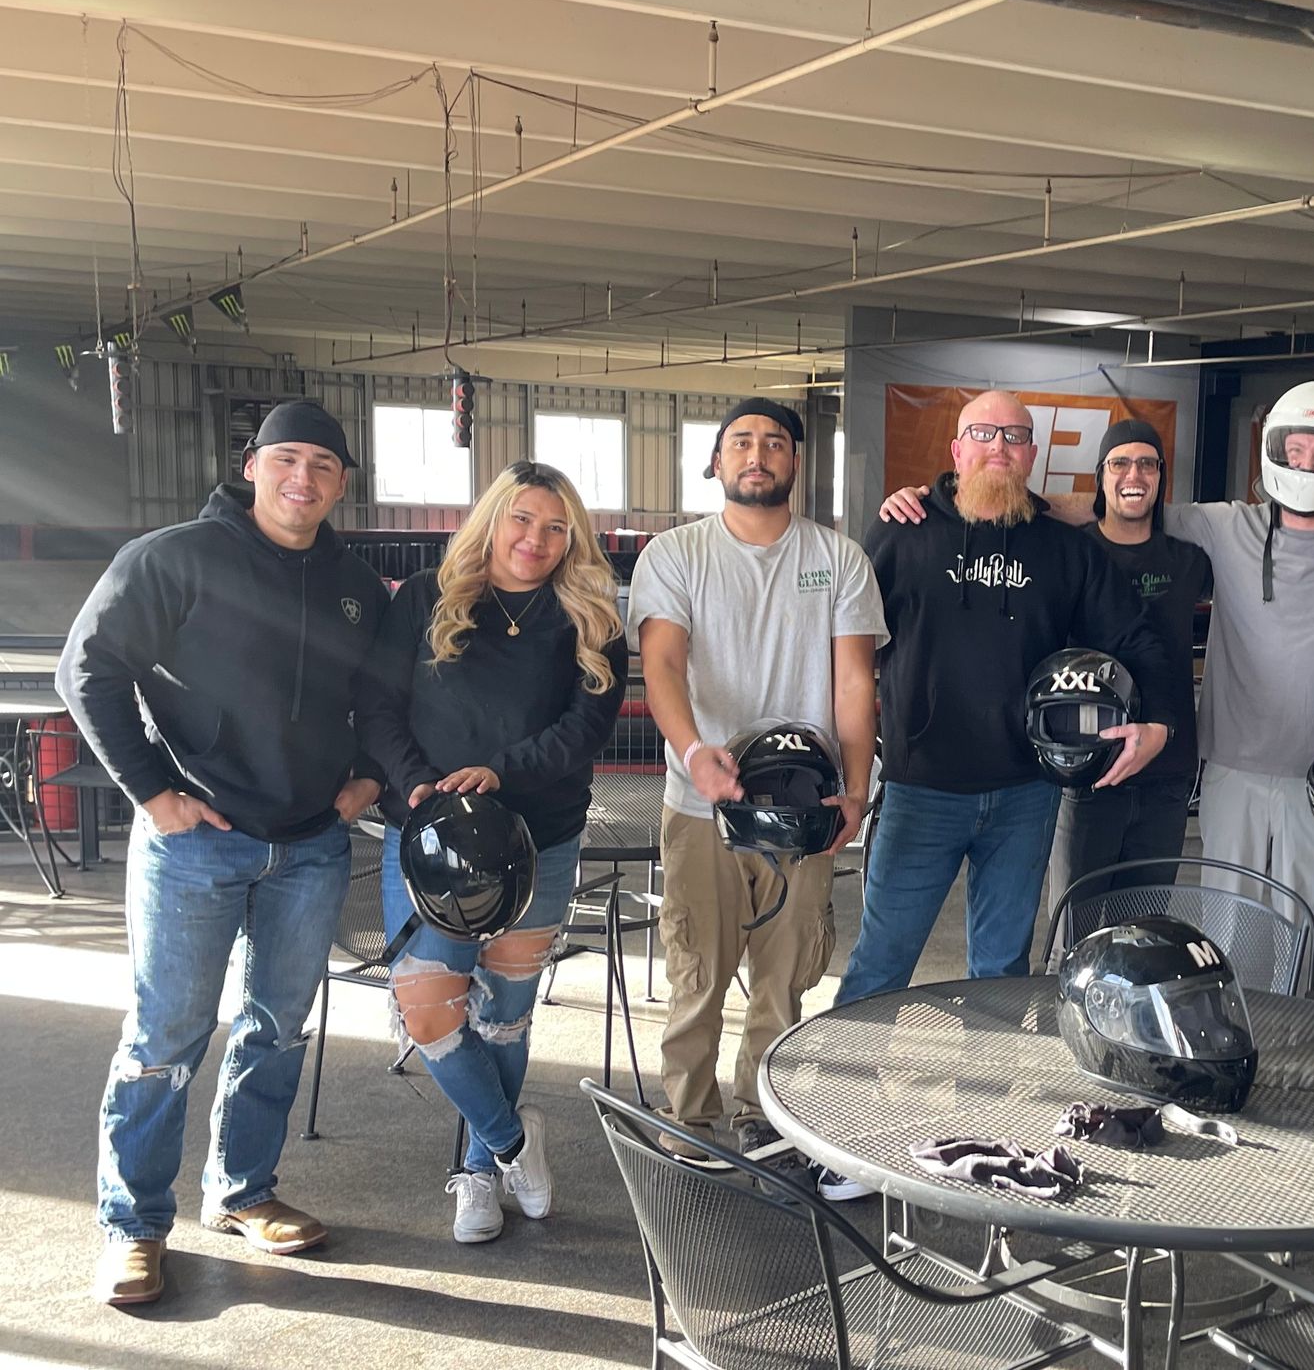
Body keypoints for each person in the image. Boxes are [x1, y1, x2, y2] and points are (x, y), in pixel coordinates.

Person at [879, 381, 1314, 950]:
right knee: (1096, 919)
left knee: (1200, 923)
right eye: (1119, 464)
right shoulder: (1098, 545)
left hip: (1197, 764)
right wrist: (944, 498)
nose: (1308, 465)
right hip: (1096, 761)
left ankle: (1270, 1001)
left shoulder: (1200, 547)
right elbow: (1092, 504)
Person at [57, 400, 388, 1306]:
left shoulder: (357, 585)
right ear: (251, 465)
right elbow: (87, 667)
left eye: (323, 464)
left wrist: (368, 777)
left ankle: (243, 1191)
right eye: (286, 458)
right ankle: (133, 1224)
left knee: (276, 1029)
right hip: (196, 843)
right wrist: (151, 791)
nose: (302, 478)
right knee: (166, 1035)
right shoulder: (174, 558)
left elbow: (382, 696)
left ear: (342, 483)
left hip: (310, 846)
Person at [841, 389, 1184, 1010]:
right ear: (956, 450)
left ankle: (989, 1074)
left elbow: (1135, 635)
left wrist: (1158, 718)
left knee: (1001, 971)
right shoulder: (903, 533)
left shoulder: (1065, 549)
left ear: (1031, 455)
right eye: (983, 434)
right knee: (881, 962)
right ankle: (839, 1073)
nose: (999, 446)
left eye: (1015, 437)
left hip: (1025, 793)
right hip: (921, 790)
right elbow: (847, 649)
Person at [356, 460, 627, 1244]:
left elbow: (584, 731)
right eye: (522, 519)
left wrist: (501, 772)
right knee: (428, 1010)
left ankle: (478, 1173)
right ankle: (512, 1141)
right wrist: (418, 783)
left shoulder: (589, 619)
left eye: (555, 527)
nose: (535, 539)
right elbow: (377, 705)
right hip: (430, 836)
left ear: (572, 538)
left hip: (537, 840)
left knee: (506, 1014)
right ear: (492, 520)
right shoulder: (425, 599)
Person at [627, 399, 884, 1165]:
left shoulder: (839, 558)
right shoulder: (675, 555)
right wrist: (693, 749)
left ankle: (762, 1114)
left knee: (784, 976)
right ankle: (689, 1119)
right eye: (741, 441)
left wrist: (857, 789)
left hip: (805, 806)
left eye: (775, 442)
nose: (758, 453)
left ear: (796, 462)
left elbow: (854, 682)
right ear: (716, 462)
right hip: (703, 802)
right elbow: (662, 661)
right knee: (697, 973)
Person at [1045, 418, 1210, 925]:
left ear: (1161, 477)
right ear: (1101, 475)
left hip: (1168, 773)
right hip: (1087, 769)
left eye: (1146, 464)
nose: (1133, 475)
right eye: (1120, 463)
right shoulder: (1068, 554)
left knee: (1144, 932)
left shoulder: (1190, 561)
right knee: (1075, 928)